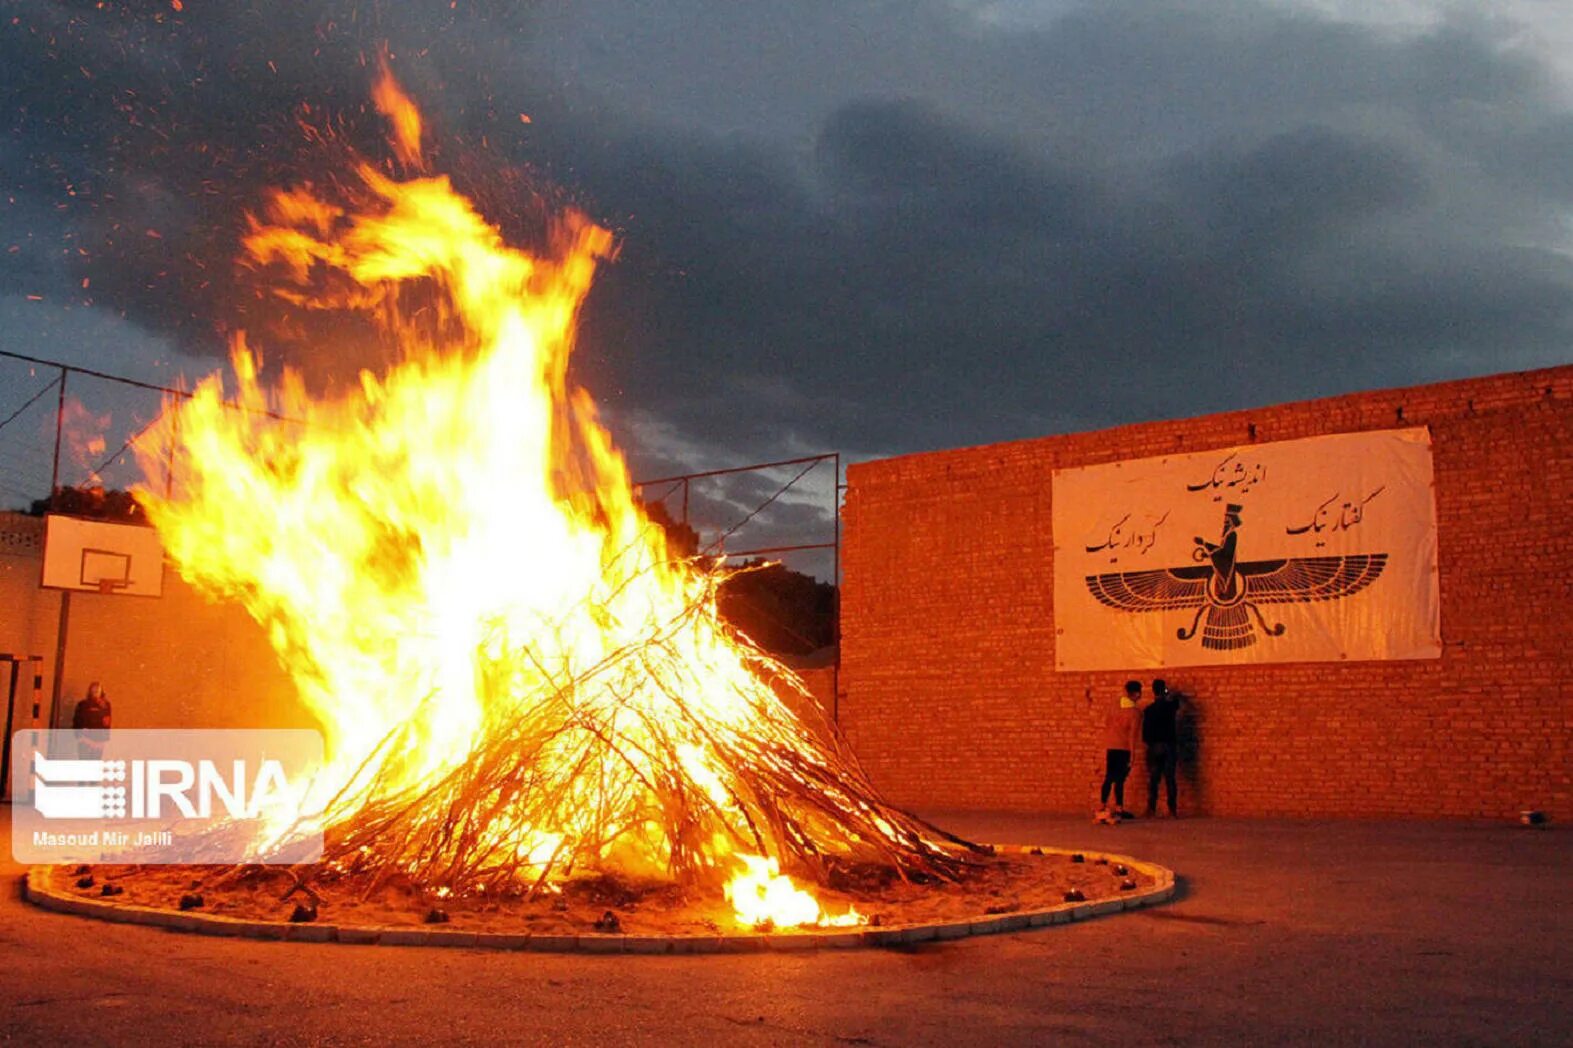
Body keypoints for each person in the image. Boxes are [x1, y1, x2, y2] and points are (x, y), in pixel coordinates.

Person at [1098, 680, 1143, 821]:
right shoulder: (1135, 713)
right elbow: (1132, 736)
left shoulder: (1114, 707)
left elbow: (1106, 723)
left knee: (1109, 777)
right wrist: (1132, 755)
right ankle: (1119, 808)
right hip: (1123, 748)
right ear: (1136, 694)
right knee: (1120, 780)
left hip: (1111, 746)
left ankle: (1102, 805)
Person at [1143, 678, 1183, 817]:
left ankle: (1151, 809)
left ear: (1153, 691)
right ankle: (1172, 810)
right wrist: (1167, 693)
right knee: (1170, 779)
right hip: (1169, 745)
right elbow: (1178, 702)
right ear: (1164, 690)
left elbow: (1145, 732)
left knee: (1154, 779)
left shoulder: (1148, 710)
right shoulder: (1171, 707)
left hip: (1154, 746)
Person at [72, 681, 112, 761]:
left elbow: (107, 723)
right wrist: (80, 737)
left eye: (97, 691)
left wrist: (103, 740)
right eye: (93, 691)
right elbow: (77, 721)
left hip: (98, 741)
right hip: (85, 739)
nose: (95, 694)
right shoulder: (82, 705)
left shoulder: (105, 706)